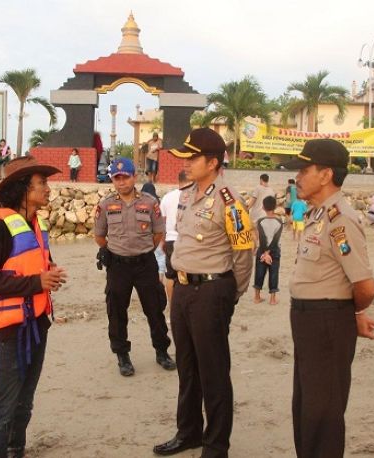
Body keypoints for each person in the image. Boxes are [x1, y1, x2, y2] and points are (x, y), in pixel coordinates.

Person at [154, 128, 254, 458]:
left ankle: (215, 445)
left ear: (212, 162)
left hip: (212, 290)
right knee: (187, 365)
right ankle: (189, 432)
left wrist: (230, 294)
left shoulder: (231, 201)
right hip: (182, 289)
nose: (185, 162)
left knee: (213, 370)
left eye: (192, 157)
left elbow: (243, 253)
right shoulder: (184, 194)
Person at [284, 139, 374, 458]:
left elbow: (365, 286)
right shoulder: (318, 215)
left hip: (325, 321)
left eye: (304, 169)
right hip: (311, 320)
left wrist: (348, 313)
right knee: (307, 404)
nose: (298, 176)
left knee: (322, 410)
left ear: (325, 175)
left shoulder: (341, 219)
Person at [0, 156, 67, 457]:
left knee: (26, 396)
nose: (48, 189)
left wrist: (48, 276)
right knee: (6, 400)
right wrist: (37, 283)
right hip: (11, 330)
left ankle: (16, 449)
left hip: (36, 322)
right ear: (24, 189)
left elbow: (30, 266)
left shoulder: (36, 223)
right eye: (42, 184)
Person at [94, 157, 175, 376]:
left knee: (154, 309)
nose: (121, 182)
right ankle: (122, 356)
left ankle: (162, 351)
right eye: (117, 178)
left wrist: (143, 249)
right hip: (118, 265)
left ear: (134, 177)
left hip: (144, 263)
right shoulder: (105, 204)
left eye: (125, 177)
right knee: (117, 311)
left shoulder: (149, 202)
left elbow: (159, 233)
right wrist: (116, 250)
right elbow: (99, 236)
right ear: (112, 180)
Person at [160, 170, 191, 304]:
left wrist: (162, 242)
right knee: (190, 276)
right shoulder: (194, 196)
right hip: (189, 241)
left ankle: (173, 308)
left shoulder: (167, 197)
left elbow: (161, 223)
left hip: (171, 241)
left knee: (171, 276)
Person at [253, 196, 284, 305]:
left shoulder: (260, 221)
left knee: (259, 273)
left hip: (261, 250)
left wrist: (264, 252)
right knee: (274, 274)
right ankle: (272, 299)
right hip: (274, 251)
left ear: (263, 207)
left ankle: (257, 297)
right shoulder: (280, 222)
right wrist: (269, 253)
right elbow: (276, 239)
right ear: (275, 207)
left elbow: (261, 238)